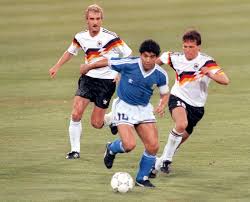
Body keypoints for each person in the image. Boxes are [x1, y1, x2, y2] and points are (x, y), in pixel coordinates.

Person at [80, 39, 169, 188]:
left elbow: (165, 93)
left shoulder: (160, 74)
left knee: (153, 146)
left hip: (144, 109)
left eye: (152, 56)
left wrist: (162, 104)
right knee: (129, 145)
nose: (148, 60)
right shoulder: (129, 63)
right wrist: (88, 67)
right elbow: (107, 61)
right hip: (124, 107)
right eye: (145, 56)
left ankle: (142, 178)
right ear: (141, 55)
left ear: (156, 57)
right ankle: (111, 148)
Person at [49, 4, 132, 159]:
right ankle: (75, 151)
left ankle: (112, 119)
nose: (95, 22)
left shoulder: (111, 37)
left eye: (98, 19)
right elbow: (70, 51)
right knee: (76, 113)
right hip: (88, 79)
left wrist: (119, 72)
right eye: (92, 19)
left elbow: (127, 54)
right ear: (86, 20)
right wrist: (57, 66)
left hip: (106, 82)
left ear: (102, 20)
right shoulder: (81, 36)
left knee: (96, 123)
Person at [149, 30, 230, 177]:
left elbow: (225, 80)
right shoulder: (176, 57)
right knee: (181, 124)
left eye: (191, 47)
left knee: (179, 139)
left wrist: (210, 73)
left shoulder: (207, 62)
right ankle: (166, 160)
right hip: (178, 97)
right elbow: (159, 61)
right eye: (185, 46)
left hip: (197, 108)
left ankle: (158, 163)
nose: (187, 50)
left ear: (198, 47)